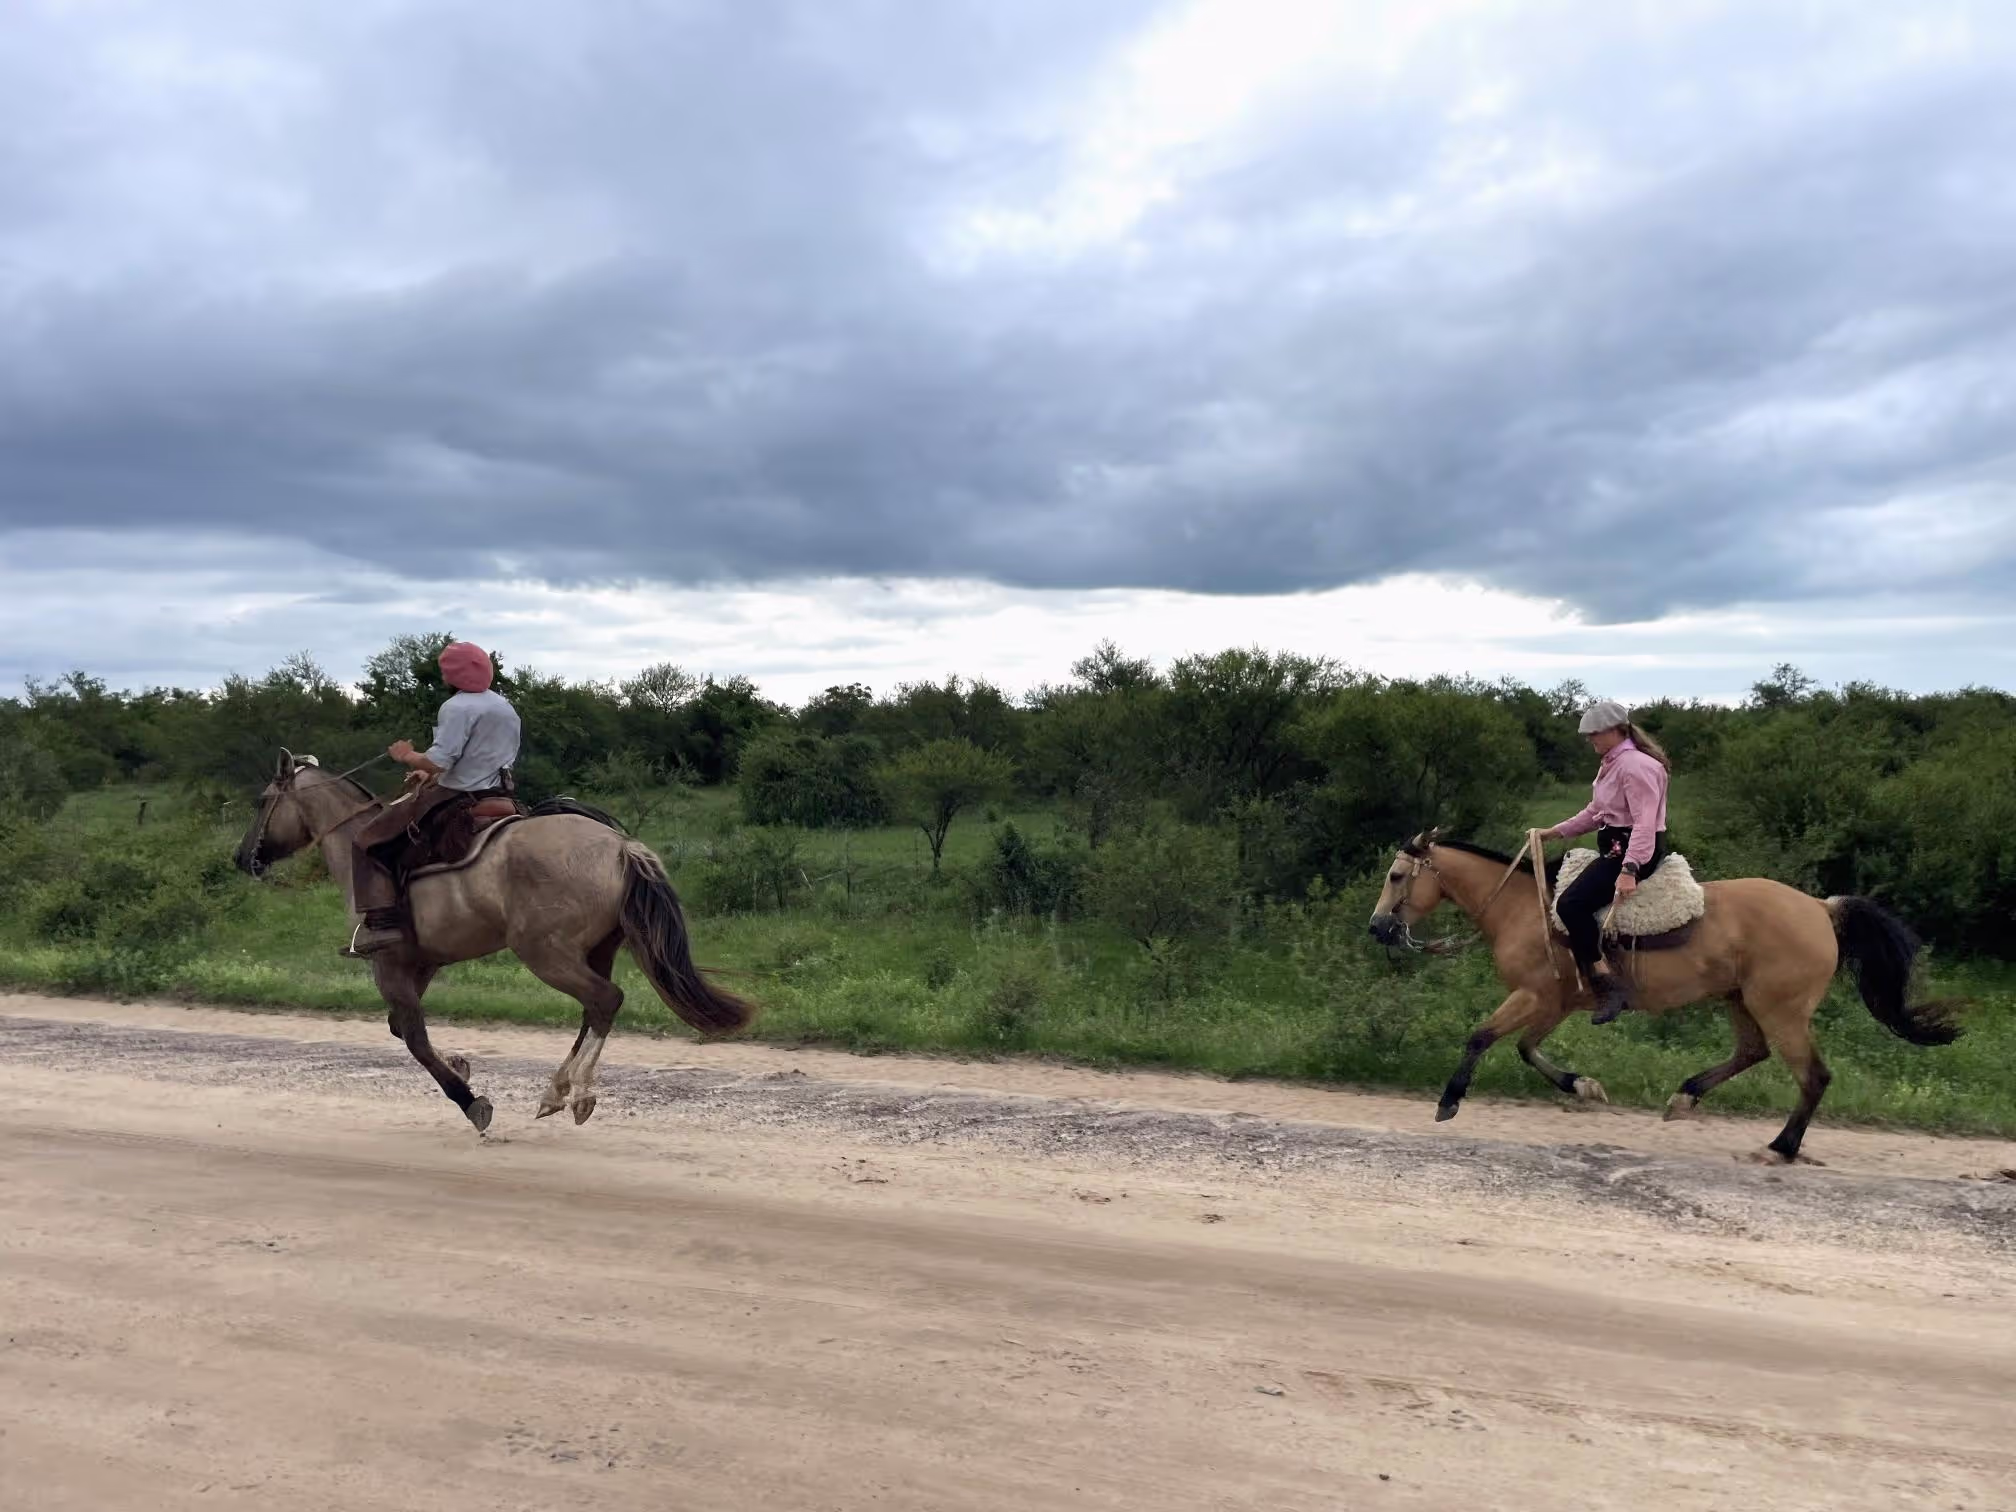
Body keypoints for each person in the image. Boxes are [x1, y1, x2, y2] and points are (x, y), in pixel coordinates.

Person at [342, 641, 523, 957]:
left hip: (458, 796)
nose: (442, 676)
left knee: (366, 839)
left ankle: (382, 921)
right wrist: (430, 774)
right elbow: (476, 758)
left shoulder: (457, 707)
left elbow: (440, 760)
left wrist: (407, 756)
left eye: (445, 671)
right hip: (500, 793)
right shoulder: (504, 707)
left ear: (455, 674)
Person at [1538, 699, 1672, 1024]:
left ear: (1617, 730)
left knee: (1570, 905)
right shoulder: (1612, 763)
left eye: (1595, 733)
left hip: (1632, 851)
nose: (1590, 740)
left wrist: (1630, 869)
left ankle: (1608, 983)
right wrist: (1555, 832)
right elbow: (1597, 812)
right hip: (1616, 847)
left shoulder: (1635, 767)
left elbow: (1643, 823)